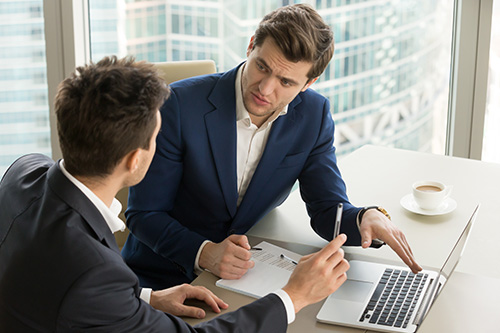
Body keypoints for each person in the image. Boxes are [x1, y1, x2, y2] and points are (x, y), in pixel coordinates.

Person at [0, 56, 350, 332]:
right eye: (155, 137)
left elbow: (60, 287)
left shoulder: (24, 172)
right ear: (136, 159)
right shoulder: (96, 272)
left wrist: (146, 299)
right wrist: (293, 296)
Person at [122, 3, 422, 290]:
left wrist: (366, 218)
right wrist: (204, 253)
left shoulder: (313, 115)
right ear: (251, 45)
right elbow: (144, 213)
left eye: (286, 82)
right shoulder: (177, 105)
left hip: (247, 274)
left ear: (309, 82)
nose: (265, 89)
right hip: (164, 276)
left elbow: (327, 209)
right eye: (262, 67)